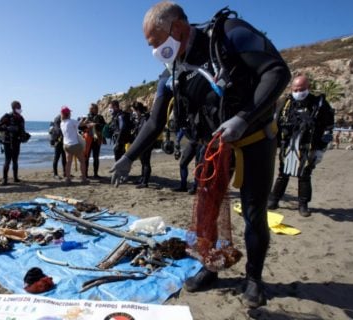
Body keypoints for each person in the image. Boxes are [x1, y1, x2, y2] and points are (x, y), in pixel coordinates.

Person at [109, 2, 291, 307]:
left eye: (156, 42)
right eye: (150, 45)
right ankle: (210, 267)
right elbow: (154, 122)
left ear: (178, 27)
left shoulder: (229, 36)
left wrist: (243, 119)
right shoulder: (171, 72)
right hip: (213, 147)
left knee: (253, 213)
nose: (154, 50)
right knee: (206, 214)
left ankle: (254, 278)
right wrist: (129, 157)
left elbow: (276, 71)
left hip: (254, 139)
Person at [268, 75, 335, 217]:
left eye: (301, 89)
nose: (298, 92)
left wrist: (321, 149)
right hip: (288, 145)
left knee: (304, 176)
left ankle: (303, 205)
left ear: (308, 88)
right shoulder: (285, 103)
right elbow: (275, 124)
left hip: (308, 146)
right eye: (295, 89)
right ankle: (274, 200)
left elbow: (328, 127)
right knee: (283, 173)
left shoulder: (319, 104)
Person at [0, 101, 28, 185]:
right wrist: (7, 128)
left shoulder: (21, 118)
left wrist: (24, 136)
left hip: (17, 142)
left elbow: (22, 130)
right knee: (7, 160)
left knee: (15, 160)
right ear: (13, 108)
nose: (20, 109)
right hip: (8, 142)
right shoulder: (7, 117)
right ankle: (5, 179)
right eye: (18, 107)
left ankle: (15, 178)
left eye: (20, 107)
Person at [60, 106, 90, 185]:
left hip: (66, 145)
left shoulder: (62, 123)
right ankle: (84, 178)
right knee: (82, 161)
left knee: (68, 163)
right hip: (74, 145)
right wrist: (85, 119)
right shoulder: (71, 121)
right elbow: (82, 124)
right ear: (68, 113)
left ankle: (68, 179)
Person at [131, 101, 154, 188]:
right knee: (143, 162)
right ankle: (142, 178)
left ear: (137, 110)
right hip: (142, 143)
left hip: (146, 143)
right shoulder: (141, 118)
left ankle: (145, 182)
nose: (133, 113)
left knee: (146, 162)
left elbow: (145, 131)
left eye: (133, 110)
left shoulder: (146, 117)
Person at [81, 103, 106, 179]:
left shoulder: (100, 117)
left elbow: (104, 127)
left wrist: (95, 124)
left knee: (96, 157)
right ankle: (85, 174)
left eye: (92, 108)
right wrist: (86, 125)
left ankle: (96, 174)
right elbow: (80, 127)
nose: (90, 110)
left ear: (96, 109)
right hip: (87, 139)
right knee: (86, 157)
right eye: (89, 108)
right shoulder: (86, 117)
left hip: (96, 139)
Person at [49, 114, 67, 179]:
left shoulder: (59, 124)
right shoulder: (57, 125)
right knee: (57, 158)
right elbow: (55, 134)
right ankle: (55, 174)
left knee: (63, 158)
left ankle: (65, 172)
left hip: (62, 142)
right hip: (58, 142)